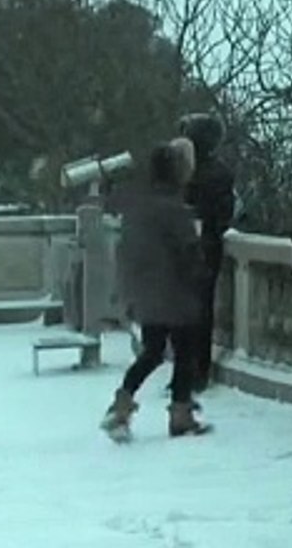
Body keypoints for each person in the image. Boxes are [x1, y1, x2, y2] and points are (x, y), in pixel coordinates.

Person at [100, 143, 212, 442]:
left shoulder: (138, 207)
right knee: (185, 354)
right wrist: (199, 274)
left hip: (148, 291)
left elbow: (127, 250)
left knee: (152, 352)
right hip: (176, 293)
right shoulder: (176, 210)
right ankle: (181, 413)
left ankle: (122, 404)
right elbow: (189, 252)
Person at [177, 113, 237, 392]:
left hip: (181, 247)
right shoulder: (220, 173)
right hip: (207, 248)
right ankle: (198, 370)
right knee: (202, 312)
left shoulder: (180, 171)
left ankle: (183, 368)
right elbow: (224, 214)